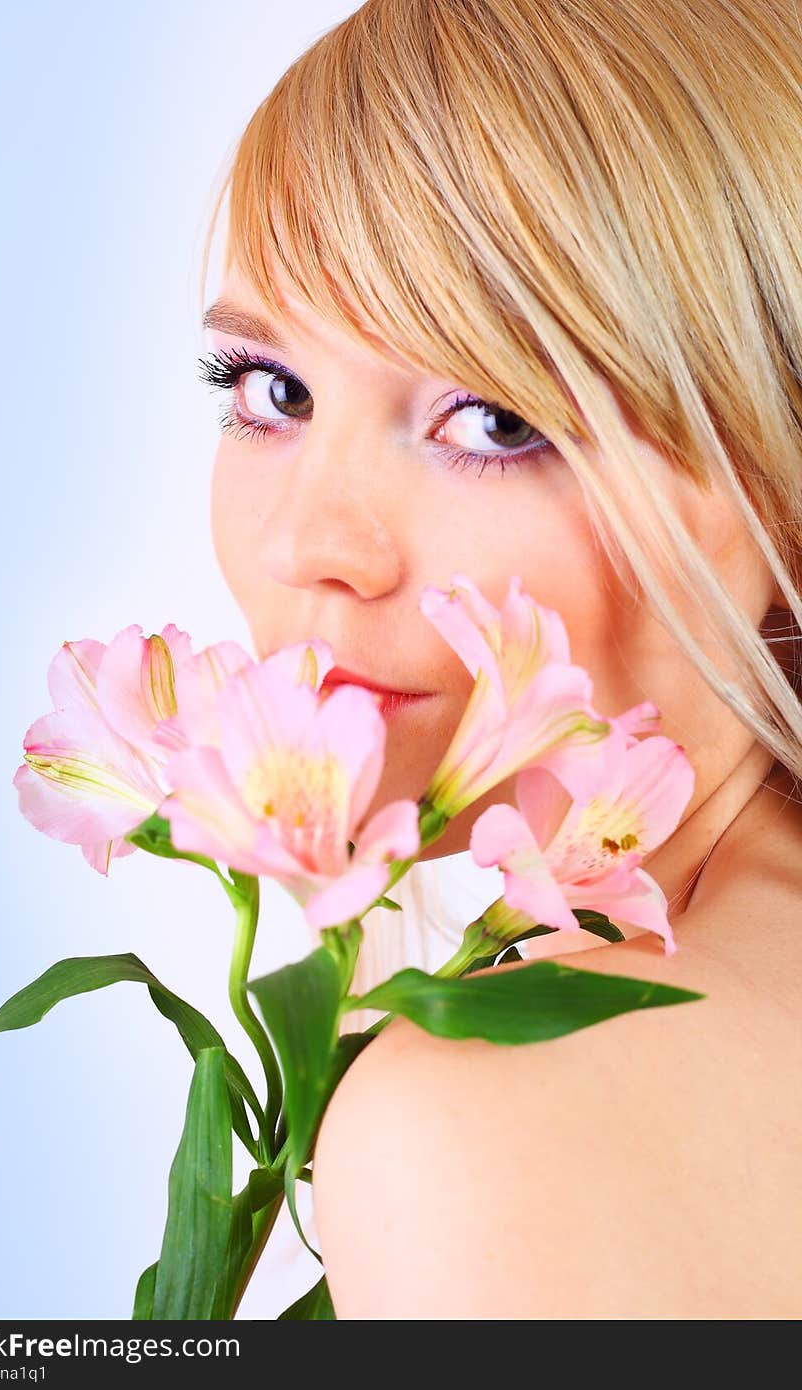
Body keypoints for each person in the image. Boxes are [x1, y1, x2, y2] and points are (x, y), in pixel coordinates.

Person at [198, 0, 802, 1318]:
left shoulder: (475, 1130)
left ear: (776, 475)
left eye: (492, 416)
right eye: (268, 389)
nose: (313, 543)